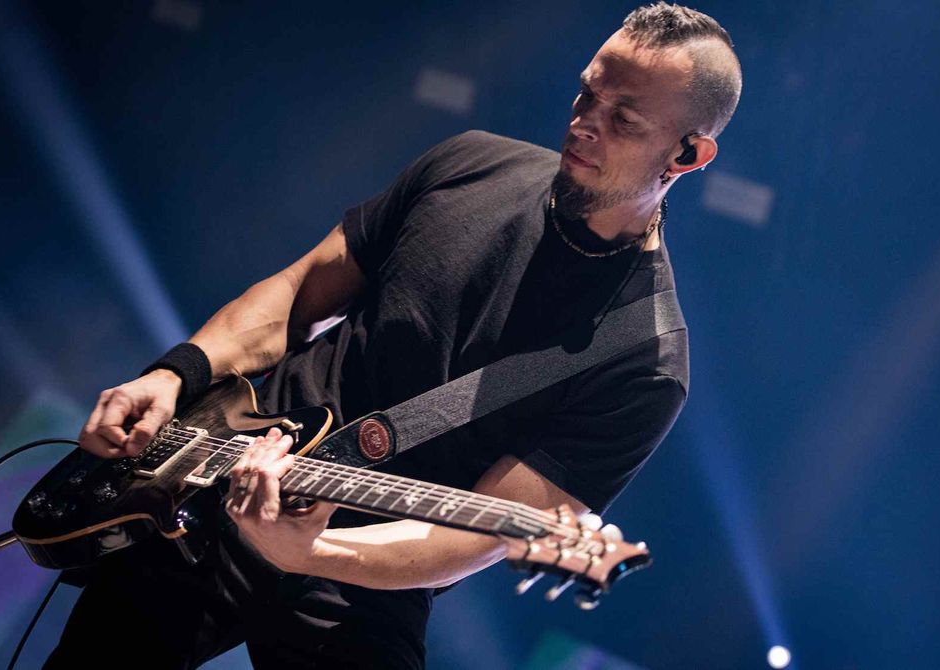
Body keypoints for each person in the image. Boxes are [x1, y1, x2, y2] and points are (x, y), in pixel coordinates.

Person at [50, 3, 742, 668]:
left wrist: (308, 554)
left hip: (366, 575)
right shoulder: (471, 164)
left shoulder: (645, 360)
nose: (585, 123)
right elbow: (296, 295)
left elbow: (476, 533)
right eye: (586, 94)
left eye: (622, 118)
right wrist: (177, 375)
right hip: (221, 475)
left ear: (689, 153)